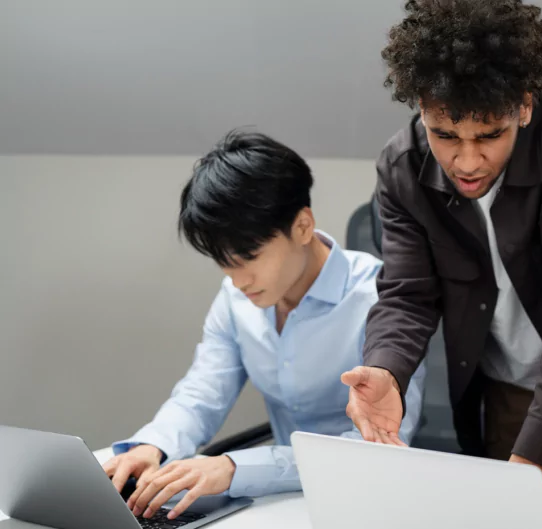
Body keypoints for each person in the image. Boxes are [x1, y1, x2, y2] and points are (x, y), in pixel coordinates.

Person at [340, 0, 542, 503]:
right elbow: (407, 294)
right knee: (517, 511)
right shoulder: (401, 168)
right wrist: (386, 369)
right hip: (510, 377)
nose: (466, 161)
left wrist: (540, 446)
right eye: (444, 135)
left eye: (490, 135)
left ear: (525, 106)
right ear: (421, 107)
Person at [101, 130, 425, 521]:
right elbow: (202, 392)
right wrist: (151, 446)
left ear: (303, 226)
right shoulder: (236, 298)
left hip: (373, 498)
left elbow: (377, 446)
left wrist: (236, 469)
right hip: (282, 499)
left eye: (249, 257)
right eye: (224, 262)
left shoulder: (382, 301)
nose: (238, 280)